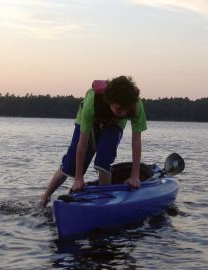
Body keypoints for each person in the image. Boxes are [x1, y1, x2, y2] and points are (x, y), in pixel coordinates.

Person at [37, 76, 147, 208]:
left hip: (113, 124)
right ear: (110, 101)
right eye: (119, 109)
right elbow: (82, 144)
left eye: (126, 109)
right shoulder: (92, 101)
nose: (123, 113)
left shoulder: (136, 106)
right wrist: (78, 178)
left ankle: (104, 202)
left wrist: (135, 176)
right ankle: (45, 196)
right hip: (89, 119)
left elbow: (136, 143)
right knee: (69, 165)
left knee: (103, 158)